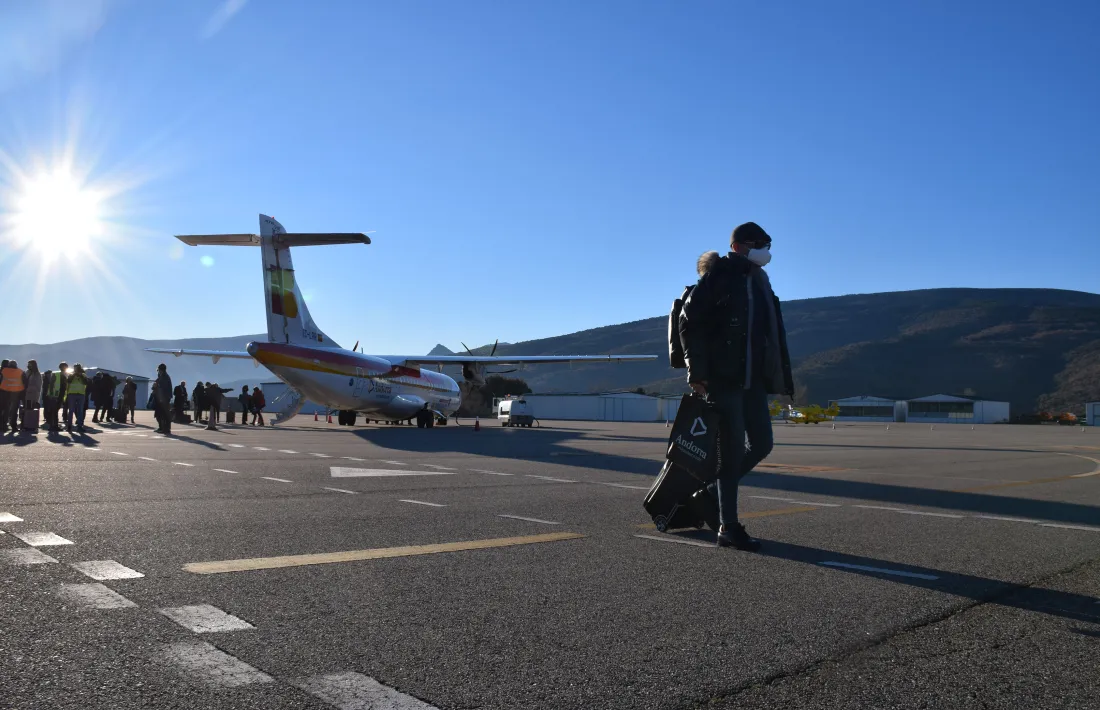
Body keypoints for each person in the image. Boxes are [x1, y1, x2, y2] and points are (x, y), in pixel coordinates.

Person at [680, 222, 794, 551]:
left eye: (767, 243)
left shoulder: (760, 283)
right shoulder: (720, 277)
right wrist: (698, 373)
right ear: (737, 246)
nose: (765, 249)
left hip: (753, 382)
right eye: (758, 243)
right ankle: (728, 527)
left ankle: (712, 491)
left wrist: (777, 378)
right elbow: (690, 324)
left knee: (761, 444)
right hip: (725, 379)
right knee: (730, 454)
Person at [1, 359, 26, 433]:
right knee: (14, 411)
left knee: (5, 410)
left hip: (5, 393)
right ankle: (14, 426)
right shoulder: (20, 372)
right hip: (16, 394)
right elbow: (25, 383)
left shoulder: (4, 371)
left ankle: (3, 425)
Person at [65, 364, 90, 434]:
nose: (76, 370)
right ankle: (69, 426)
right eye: (75, 368)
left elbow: (86, 382)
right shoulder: (71, 375)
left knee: (80, 411)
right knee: (71, 411)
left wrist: (80, 375)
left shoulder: (83, 375)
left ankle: (80, 426)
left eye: (78, 368)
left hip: (81, 394)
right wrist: (74, 375)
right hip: (72, 394)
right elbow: (68, 381)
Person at [21, 360, 42, 432]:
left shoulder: (37, 374)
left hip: (33, 395)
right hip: (26, 394)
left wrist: (36, 397)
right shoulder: (27, 372)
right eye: (28, 364)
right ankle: (25, 425)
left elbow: (38, 386)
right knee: (26, 410)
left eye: (29, 364)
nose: (28, 366)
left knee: (32, 409)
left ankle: (32, 425)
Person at [154, 364, 173, 435]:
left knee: (163, 414)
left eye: (158, 370)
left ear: (161, 370)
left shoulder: (164, 377)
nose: (158, 371)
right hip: (162, 398)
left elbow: (162, 388)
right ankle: (162, 428)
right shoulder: (163, 376)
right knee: (160, 414)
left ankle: (165, 428)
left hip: (163, 398)